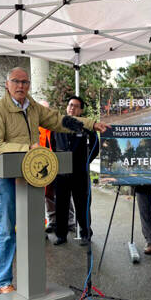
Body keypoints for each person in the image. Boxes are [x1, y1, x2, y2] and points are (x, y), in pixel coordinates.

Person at [0, 67, 110, 294]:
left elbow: (59, 120)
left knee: (33, 229)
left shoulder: (33, 108)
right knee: (6, 229)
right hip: (7, 178)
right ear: (7, 84)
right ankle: (3, 281)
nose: (21, 86)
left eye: (25, 82)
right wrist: (27, 148)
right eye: (16, 81)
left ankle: (32, 280)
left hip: (30, 176)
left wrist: (90, 124)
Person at [52, 96, 99, 246]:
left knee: (82, 204)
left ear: (81, 110)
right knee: (61, 204)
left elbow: (95, 147)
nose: (72, 108)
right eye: (70, 105)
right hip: (61, 172)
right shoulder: (58, 125)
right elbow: (53, 145)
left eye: (76, 106)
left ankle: (86, 233)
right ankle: (61, 235)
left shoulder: (86, 128)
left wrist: (86, 161)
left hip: (80, 173)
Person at [38, 101, 76, 235]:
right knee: (47, 194)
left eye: (46, 110)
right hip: (41, 165)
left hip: (57, 162)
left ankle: (70, 222)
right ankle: (53, 221)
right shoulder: (34, 127)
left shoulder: (56, 125)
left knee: (64, 193)